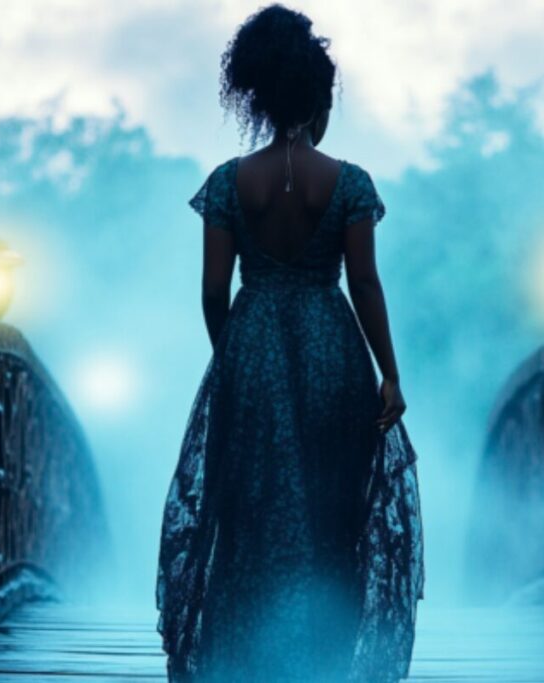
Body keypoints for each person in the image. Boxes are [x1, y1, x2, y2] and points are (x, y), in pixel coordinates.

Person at [156, 5, 424, 681]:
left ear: (259, 96)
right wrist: (389, 374)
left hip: (252, 349)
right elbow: (364, 281)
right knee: (332, 516)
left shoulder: (225, 182)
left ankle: (250, 659)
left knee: (250, 516)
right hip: (334, 354)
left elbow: (213, 289)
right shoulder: (350, 183)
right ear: (318, 98)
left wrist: (237, 355)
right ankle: (322, 658)